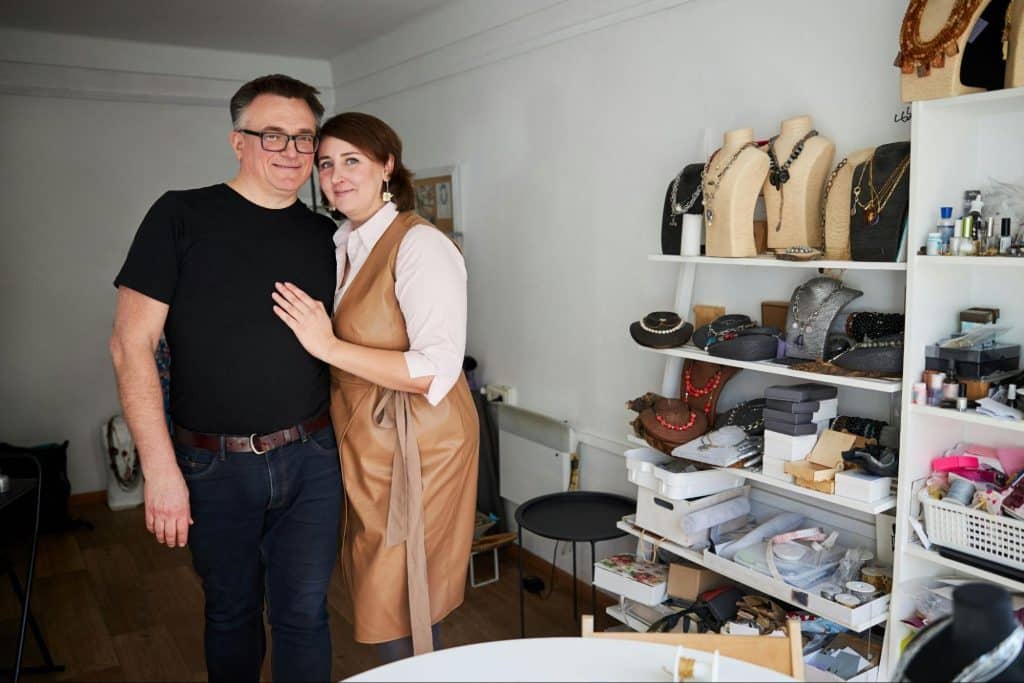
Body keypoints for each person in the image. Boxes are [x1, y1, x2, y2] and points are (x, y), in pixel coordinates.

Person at [109, 74, 341, 682]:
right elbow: (131, 346)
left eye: (303, 138)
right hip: (212, 466)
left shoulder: (329, 235)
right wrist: (158, 471)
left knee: (305, 615)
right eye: (274, 135)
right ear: (238, 141)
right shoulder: (181, 215)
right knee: (232, 614)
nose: (292, 153)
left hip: (314, 455)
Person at [271, 112, 479, 662]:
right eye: (326, 164)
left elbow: (437, 366)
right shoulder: (343, 242)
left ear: (387, 165)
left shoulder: (419, 246)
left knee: (399, 584)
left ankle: (419, 674)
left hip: (421, 439)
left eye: (352, 160)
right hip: (363, 435)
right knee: (377, 577)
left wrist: (328, 346)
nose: (337, 175)